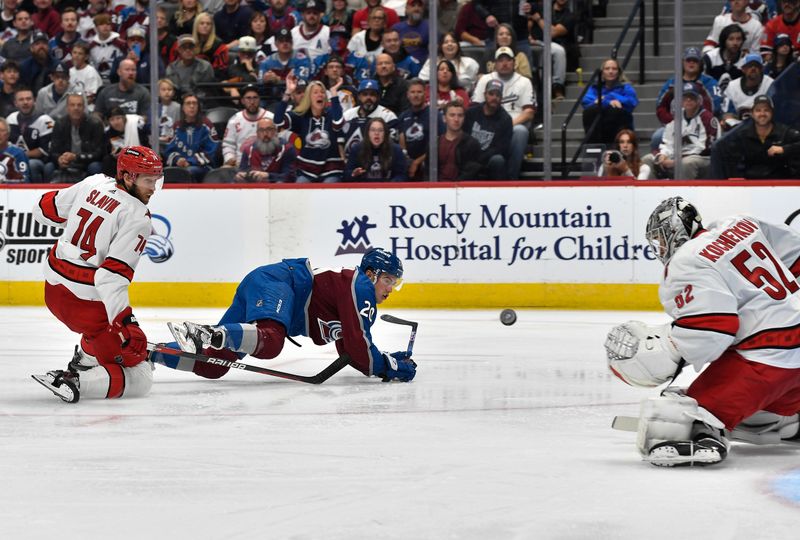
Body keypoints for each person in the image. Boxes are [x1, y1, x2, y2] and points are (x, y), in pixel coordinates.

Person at [604, 196, 800, 467]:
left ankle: (703, 434)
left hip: (773, 358)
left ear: (674, 229)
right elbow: (795, 253)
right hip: (790, 359)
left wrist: (671, 349)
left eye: (661, 239)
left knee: (682, 411)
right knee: (775, 388)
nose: (661, 247)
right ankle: (785, 419)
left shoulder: (687, 259)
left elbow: (714, 326)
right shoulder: (742, 223)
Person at [158, 247, 416, 383]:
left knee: (212, 366)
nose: (391, 289)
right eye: (388, 280)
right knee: (270, 343)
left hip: (269, 282)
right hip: (280, 283)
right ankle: (212, 334)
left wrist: (382, 359)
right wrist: (390, 367)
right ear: (372, 274)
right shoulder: (361, 287)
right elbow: (361, 349)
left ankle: (150, 352)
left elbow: (351, 349)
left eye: (395, 283)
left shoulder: (353, 289)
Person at [30, 146, 162, 403]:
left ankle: (84, 361)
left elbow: (43, 210)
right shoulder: (138, 217)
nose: (153, 188)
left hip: (53, 292)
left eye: (156, 180)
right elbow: (109, 278)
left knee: (102, 334)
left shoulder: (94, 182)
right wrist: (127, 323)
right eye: (148, 180)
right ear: (128, 176)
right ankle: (75, 381)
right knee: (141, 376)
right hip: (85, 306)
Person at [472, 47, 537, 180]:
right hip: (487, 125)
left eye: (508, 60)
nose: (504, 63)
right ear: (495, 63)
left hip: (514, 125)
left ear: (514, 63)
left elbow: (529, 112)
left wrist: (506, 125)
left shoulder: (524, 81)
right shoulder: (485, 79)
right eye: (500, 60)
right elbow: (474, 108)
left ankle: (512, 178)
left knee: (521, 131)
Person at [274, 73, 345, 182]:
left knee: (329, 186)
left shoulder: (331, 113)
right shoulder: (301, 116)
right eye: (315, 92)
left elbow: (339, 122)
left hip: (331, 169)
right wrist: (288, 92)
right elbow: (278, 121)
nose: (320, 95)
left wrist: (334, 92)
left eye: (322, 92)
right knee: (300, 184)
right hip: (306, 169)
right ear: (309, 97)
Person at [713, 94, 800, 178]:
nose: (762, 114)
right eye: (758, 110)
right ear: (752, 113)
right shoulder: (742, 135)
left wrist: (784, 149)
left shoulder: (785, 132)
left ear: (772, 112)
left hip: (781, 185)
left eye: (766, 110)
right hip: (750, 185)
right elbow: (731, 162)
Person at [643, 82, 718, 180]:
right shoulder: (677, 117)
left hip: (703, 158)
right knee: (648, 159)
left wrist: (676, 161)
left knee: (686, 163)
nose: (688, 100)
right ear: (681, 100)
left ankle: (684, 194)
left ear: (699, 100)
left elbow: (705, 149)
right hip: (678, 158)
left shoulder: (707, 118)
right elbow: (668, 141)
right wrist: (663, 155)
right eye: (685, 97)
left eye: (692, 97)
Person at [527, 0, 579, 100]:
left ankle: (557, 87)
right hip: (534, 41)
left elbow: (552, 33)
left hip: (551, 44)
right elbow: (528, 23)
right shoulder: (541, 8)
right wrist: (528, 36)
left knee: (558, 51)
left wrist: (538, 19)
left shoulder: (570, 16)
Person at [581, 57, 639, 145]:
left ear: (618, 72)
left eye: (614, 69)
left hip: (619, 126)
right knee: (590, 111)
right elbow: (586, 101)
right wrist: (609, 102)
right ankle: (593, 148)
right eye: (607, 69)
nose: (611, 71)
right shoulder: (594, 87)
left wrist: (606, 98)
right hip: (599, 128)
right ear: (602, 72)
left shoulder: (626, 87)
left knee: (614, 111)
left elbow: (631, 103)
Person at [164, 93, 220, 182]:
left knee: (188, 172)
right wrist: (178, 159)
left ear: (198, 107)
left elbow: (211, 150)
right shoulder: (176, 126)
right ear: (182, 107)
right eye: (188, 103)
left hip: (202, 167)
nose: (192, 106)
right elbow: (168, 149)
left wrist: (190, 161)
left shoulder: (206, 125)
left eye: (194, 103)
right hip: (179, 166)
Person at [463, 79, 512, 180]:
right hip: (469, 156)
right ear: (485, 94)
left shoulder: (506, 119)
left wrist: (480, 158)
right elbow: (463, 136)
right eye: (491, 94)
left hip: (489, 159)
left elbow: (502, 148)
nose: (494, 98)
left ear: (501, 98)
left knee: (498, 160)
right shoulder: (471, 113)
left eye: (498, 95)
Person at [50, 92, 104, 182]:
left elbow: (99, 153)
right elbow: (53, 151)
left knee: (95, 166)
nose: (76, 108)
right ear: (67, 108)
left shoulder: (95, 124)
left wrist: (76, 157)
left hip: (86, 162)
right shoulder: (59, 123)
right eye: (72, 105)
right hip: (67, 162)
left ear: (84, 107)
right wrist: (59, 159)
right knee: (49, 167)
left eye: (79, 105)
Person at [340, 78, 399, 157]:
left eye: (372, 94)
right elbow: (340, 141)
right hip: (351, 161)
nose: (368, 98)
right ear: (359, 97)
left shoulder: (388, 116)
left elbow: (391, 146)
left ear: (378, 97)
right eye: (365, 94)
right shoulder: (347, 115)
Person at [7, 86, 54, 182]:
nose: (25, 102)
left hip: (39, 161)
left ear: (34, 100)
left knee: (32, 164)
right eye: (21, 99)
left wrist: (20, 155)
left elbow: (44, 150)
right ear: (15, 103)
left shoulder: (46, 121)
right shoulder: (10, 119)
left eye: (28, 99)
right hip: (13, 158)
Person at [397, 78, 439, 181]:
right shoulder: (403, 116)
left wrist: (417, 162)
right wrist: (408, 161)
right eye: (413, 92)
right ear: (408, 95)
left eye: (419, 92)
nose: (416, 95)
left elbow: (439, 142)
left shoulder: (434, 114)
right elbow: (402, 139)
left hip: (429, 166)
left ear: (425, 94)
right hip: (408, 166)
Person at [222, 84, 273, 168]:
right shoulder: (234, 120)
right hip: (239, 165)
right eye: (248, 98)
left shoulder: (271, 118)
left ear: (259, 100)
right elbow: (228, 144)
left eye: (255, 98)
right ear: (242, 101)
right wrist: (230, 158)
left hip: (265, 163)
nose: (252, 102)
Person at [344, 117, 407, 181]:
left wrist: (390, 186)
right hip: (364, 189)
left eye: (380, 130)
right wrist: (353, 174)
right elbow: (346, 175)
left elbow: (402, 175)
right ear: (367, 133)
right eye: (373, 130)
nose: (376, 133)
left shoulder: (395, 149)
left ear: (385, 133)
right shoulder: (357, 149)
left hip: (387, 189)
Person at [236, 117, 296, 183]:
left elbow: (290, 177)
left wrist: (268, 176)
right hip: (254, 190)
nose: (265, 134)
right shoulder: (248, 150)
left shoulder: (287, 149)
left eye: (269, 129)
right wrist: (240, 176)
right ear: (257, 134)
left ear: (275, 131)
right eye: (261, 130)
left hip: (278, 190)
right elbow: (242, 171)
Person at [721, 53, 774, 121]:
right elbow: (726, 113)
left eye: (757, 66)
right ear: (743, 69)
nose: (753, 68)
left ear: (762, 69)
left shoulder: (770, 83)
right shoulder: (732, 86)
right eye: (750, 66)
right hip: (738, 127)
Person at [437, 99, 481, 181]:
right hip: (437, 189)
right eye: (452, 115)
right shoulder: (435, 143)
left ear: (464, 118)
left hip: (462, 189)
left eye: (460, 115)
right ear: (444, 118)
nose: (456, 119)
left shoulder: (472, 144)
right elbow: (428, 171)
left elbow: (471, 172)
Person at [0, 118, 31, 183]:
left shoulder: (18, 153)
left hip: (12, 191)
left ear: (8, 134)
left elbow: (24, 179)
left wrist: (4, 182)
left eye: (1, 130)